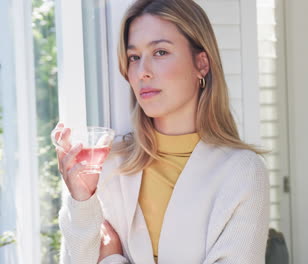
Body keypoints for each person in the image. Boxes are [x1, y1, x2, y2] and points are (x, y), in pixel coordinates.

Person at [55, 0, 270, 263]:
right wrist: (81, 201)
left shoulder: (242, 172)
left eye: (160, 52)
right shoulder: (108, 166)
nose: (142, 72)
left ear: (201, 64)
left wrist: (113, 260)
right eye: (134, 57)